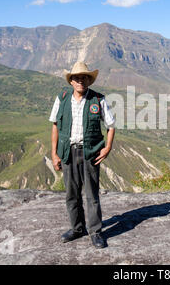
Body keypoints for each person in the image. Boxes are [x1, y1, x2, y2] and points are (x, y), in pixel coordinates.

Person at [49, 61, 115, 249]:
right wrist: (54, 154)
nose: (80, 81)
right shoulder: (61, 99)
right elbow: (55, 125)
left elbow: (111, 126)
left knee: (91, 194)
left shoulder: (98, 100)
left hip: (90, 153)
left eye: (84, 78)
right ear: (71, 81)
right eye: (77, 78)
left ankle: (95, 232)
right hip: (68, 152)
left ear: (89, 80)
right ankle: (77, 229)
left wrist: (107, 147)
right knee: (71, 194)